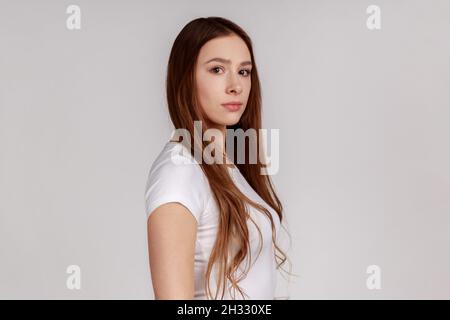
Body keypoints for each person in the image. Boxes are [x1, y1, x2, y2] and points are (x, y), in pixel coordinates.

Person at [145, 16, 290, 300]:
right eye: (217, 69)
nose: (235, 85)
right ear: (185, 77)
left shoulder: (227, 165)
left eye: (244, 72)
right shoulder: (179, 172)